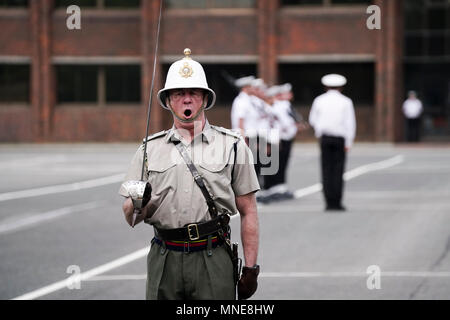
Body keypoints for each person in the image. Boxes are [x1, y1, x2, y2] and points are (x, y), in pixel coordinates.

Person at [119, 49, 260, 300]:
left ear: (204, 99)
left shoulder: (233, 145)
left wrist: (251, 268)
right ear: (169, 101)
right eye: (179, 94)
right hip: (165, 258)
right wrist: (139, 202)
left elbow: (248, 210)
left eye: (193, 93)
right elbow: (130, 216)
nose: (186, 100)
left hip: (213, 256)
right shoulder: (149, 149)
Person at [309, 74, 356, 212]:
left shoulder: (319, 100)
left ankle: (328, 202)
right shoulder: (346, 101)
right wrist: (349, 142)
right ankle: (337, 201)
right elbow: (350, 123)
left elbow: (313, 119)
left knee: (326, 169)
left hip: (325, 137)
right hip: (340, 138)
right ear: (341, 87)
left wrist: (319, 131)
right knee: (338, 170)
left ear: (325, 86)